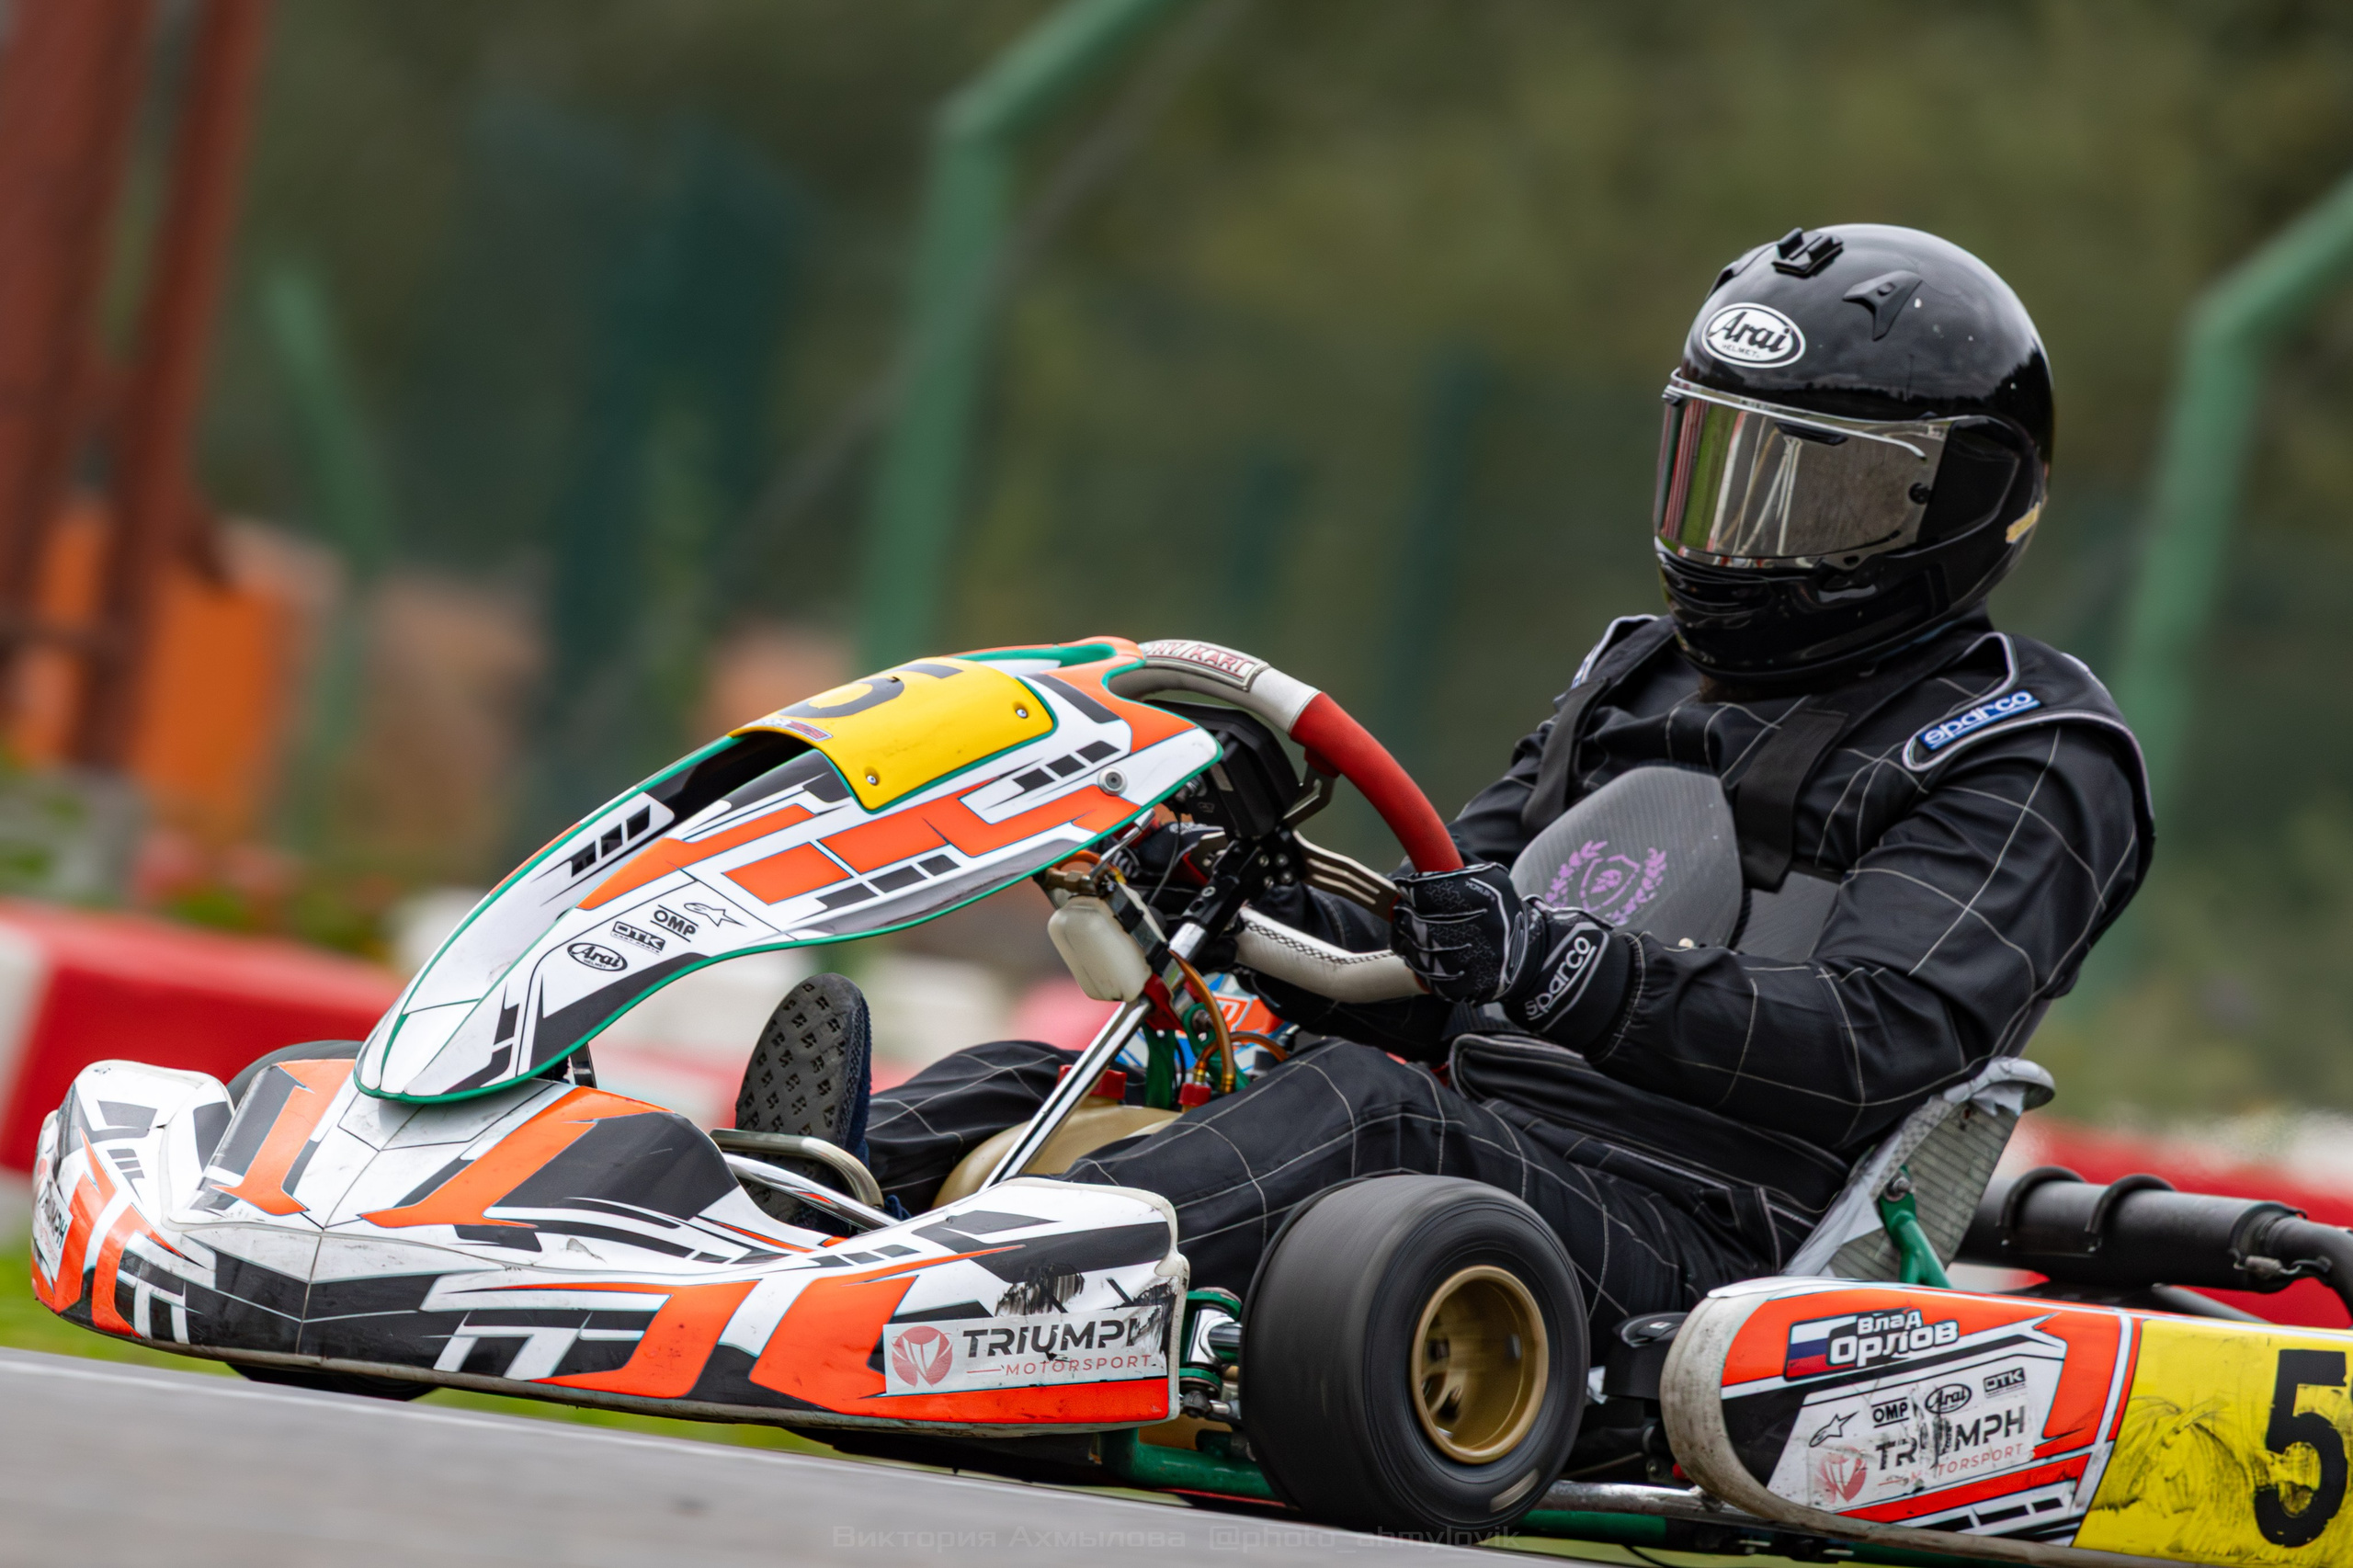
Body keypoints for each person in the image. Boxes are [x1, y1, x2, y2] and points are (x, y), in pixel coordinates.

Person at [739, 223, 2152, 1352]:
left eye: (1818, 494)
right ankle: (739, 1226)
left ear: (1962, 500)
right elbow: (1425, 951)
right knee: (1043, 1072)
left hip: (1717, 1243)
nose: (1743, 534)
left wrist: (1563, 965)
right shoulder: (1642, 676)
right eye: (1723, 466)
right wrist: (1234, 889)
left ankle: (932, 1303)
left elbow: (1875, 1034)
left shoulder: (2025, 747)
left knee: (1365, 1112)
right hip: (1483, 1143)